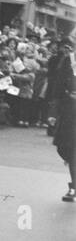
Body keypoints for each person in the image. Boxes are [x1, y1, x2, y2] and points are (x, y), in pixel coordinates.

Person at [50, 37, 76, 201]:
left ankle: (73, 187)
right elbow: (58, 85)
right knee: (64, 147)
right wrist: (52, 112)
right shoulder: (68, 60)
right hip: (70, 109)